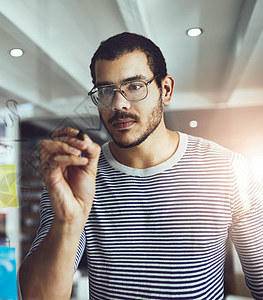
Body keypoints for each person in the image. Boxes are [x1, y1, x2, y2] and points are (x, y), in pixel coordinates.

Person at [19, 32, 263, 299]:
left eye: (134, 86)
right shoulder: (77, 177)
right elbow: (37, 296)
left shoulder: (229, 169)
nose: (118, 104)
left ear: (165, 90)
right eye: (106, 91)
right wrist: (69, 220)